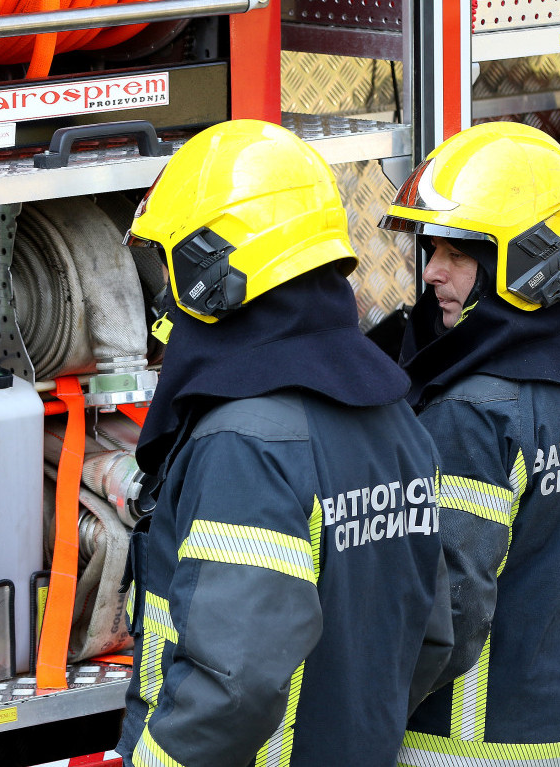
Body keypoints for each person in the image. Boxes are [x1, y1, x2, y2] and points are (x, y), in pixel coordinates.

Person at [115, 119, 465, 767]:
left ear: (208, 274)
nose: (164, 294)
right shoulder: (394, 419)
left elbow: (234, 683)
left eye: (169, 264)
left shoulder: (245, 443)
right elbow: (433, 635)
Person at [378, 122, 560, 766]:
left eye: (461, 252)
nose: (432, 272)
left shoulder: (475, 414)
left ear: (530, 262)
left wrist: (358, 711)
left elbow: (445, 612)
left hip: (455, 746)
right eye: (433, 248)